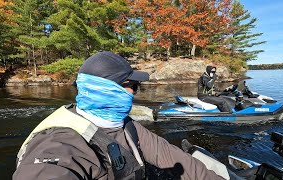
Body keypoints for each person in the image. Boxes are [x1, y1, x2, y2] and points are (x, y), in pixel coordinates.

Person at [13, 51, 226, 180]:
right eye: (132, 85)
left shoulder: (125, 125)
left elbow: (173, 158)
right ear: (104, 89)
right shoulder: (58, 142)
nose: (135, 92)